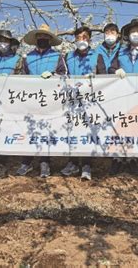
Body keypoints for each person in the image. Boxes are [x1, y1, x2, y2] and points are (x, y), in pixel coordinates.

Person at [108, 18, 138, 176]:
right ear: (128, 35)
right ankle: (117, 159)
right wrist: (115, 71)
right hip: (122, 96)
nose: (136, 34)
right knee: (120, 127)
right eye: (133, 31)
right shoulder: (120, 52)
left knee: (136, 128)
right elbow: (111, 67)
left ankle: (132, 159)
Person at [16, 24, 63, 178]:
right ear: (36, 39)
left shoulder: (57, 56)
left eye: (45, 37)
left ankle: (45, 162)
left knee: (46, 130)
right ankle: (26, 161)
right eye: (40, 37)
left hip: (50, 100)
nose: (42, 39)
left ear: (50, 39)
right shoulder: (28, 57)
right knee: (29, 129)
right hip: (32, 99)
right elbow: (23, 77)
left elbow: (64, 76)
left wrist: (53, 75)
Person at [56, 26, 98, 180]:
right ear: (74, 40)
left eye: (85, 37)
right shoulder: (67, 57)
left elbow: (103, 74)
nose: (82, 40)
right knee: (72, 130)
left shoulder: (96, 55)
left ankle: (87, 165)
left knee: (87, 131)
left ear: (90, 39)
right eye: (79, 37)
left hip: (90, 101)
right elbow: (60, 74)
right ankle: (72, 162)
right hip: (72, 100)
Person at [0, 29, 22, 178]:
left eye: (6, 41)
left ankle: (2, 162)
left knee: (5, 129)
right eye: (1, 41)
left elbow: (22, 77)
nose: (3, 44)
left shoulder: (18, 59)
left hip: (9, 99)